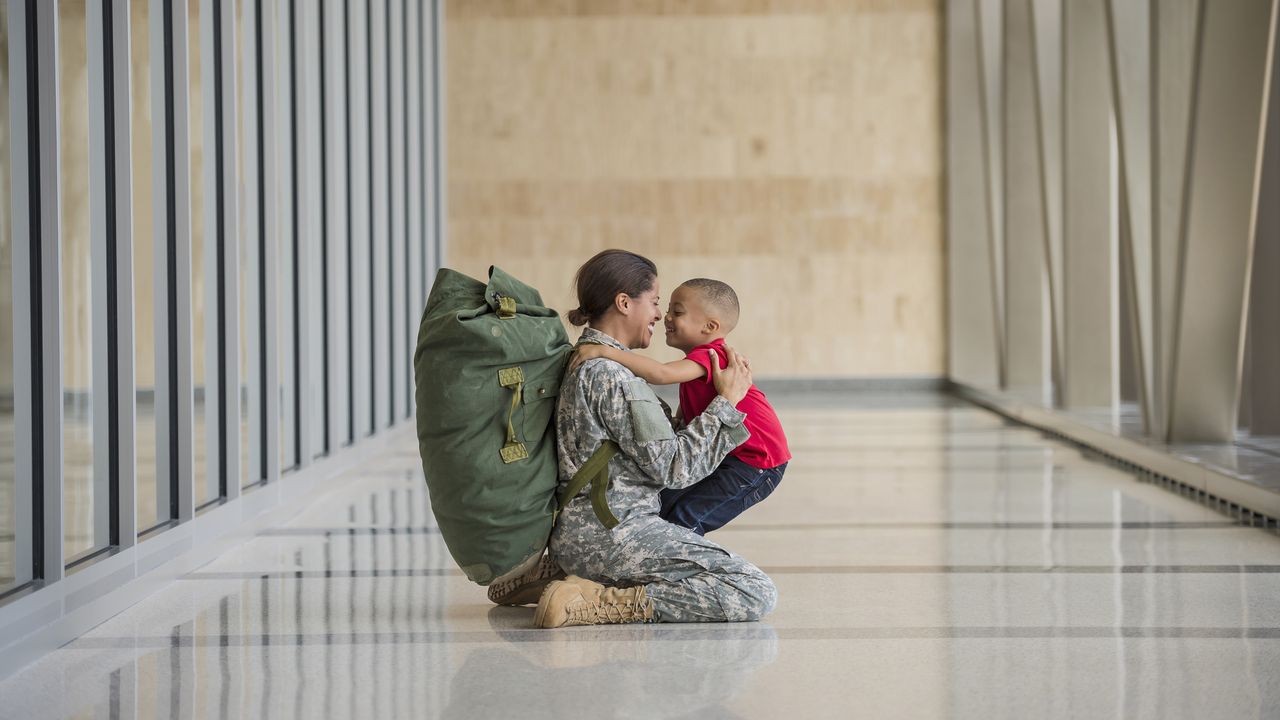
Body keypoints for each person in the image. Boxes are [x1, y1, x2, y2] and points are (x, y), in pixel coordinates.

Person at [532, 249, 777, 628]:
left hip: (588, 530)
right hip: (613, 534)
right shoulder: (610, 374)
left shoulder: (588, 360)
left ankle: (559, 576)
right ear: (624, 303)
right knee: (752, 589)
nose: (661, 315)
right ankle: (600, 600)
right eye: (657, 302)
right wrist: (728, 402)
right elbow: (676, 470)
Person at [569, 277, 790, 535]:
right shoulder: (698, 362)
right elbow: (687, 414)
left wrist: (605, 352)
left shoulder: (711, 356)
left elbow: (660, 374)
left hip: (757, 462)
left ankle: (676, 559)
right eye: (667, 309)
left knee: (687, 518)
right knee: (665, 507)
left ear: (710, 326)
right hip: (732, 456)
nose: (666, 317)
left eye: (678, 312)